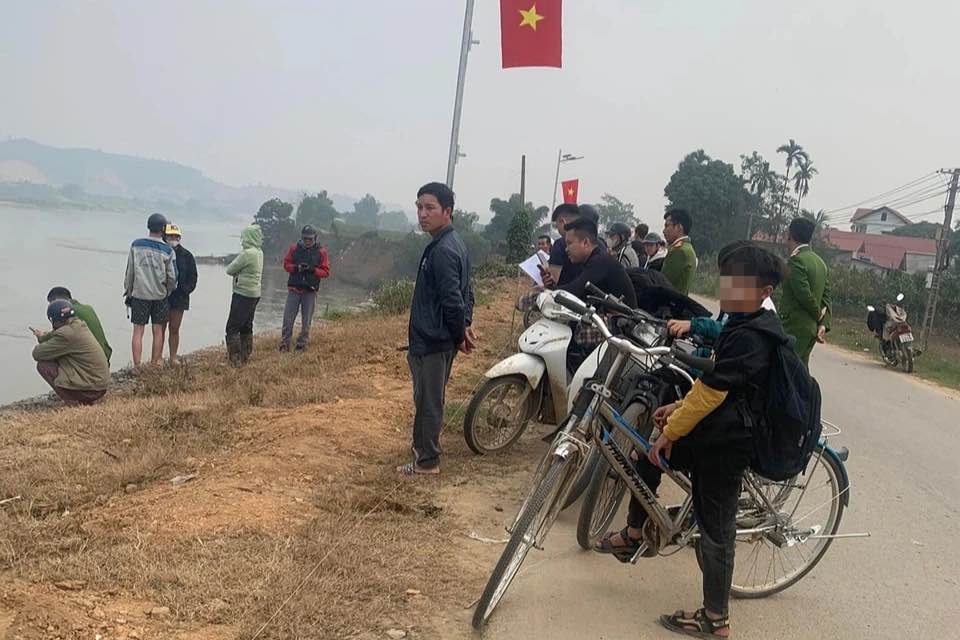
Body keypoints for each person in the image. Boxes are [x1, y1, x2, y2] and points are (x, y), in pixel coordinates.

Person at [596, 245, 789, 639]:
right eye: (726, 278)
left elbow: (714, 391)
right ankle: (637, 533)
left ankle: (716, 620)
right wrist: (677, 411)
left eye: (738, 281)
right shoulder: (739, 321)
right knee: (645, 451)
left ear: (764, 291)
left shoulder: (754, 334)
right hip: (718, 426)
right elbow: (714, 383)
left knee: (715, 529)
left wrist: (674, 428)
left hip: (731, 442)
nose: (727, 288)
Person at [400, 182, 476, 476]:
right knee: (428, 398)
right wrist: (464, 327)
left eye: (429, 208)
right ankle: (422, 453)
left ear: (448, 211)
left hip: (433, 341)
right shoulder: (450, 243)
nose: (422, 214)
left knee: (429, 401)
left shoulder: (444, 250)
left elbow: (455, 300)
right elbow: (468, 292)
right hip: (434, 338)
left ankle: (426, 461)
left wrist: (459, 335)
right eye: (419, 207)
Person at [31, 300, 110, 406]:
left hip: (91, 390)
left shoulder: (66, 335)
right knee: (58, 356)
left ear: (53, 320)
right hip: (100, 386)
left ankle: (73, 402)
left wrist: (43, 339)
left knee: (43, 365)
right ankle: (80, 397)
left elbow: (37, 353)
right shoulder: (79, 325)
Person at [123, 213, 177, 367]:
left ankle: (137, 366)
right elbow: (172, 277)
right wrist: (168, 291)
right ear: (163, 229)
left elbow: (130, 272)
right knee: (158, 330)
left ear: (148, 227)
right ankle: (154, 363)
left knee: (138, 331)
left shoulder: (136, 245)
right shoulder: (167, 250)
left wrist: (128, 291)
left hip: (139, 294)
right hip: (159, 296)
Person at [780, 217, 832, 367]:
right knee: (800, 373)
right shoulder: (820, 263)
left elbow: (803, 295)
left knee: (785, 371)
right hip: (811, 331)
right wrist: (823, 324)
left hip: (793, 327)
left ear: (790, 235)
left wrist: (817, 315)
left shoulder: (797, 261)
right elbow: (826, 297)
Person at [558, 217, 638, 307]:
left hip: (623, 319)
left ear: (585, 242)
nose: (566, 249)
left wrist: (546, 290)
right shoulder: (592, 259)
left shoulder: (600, 261)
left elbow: (574, 291)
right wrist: (551, 285)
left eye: (569, 243)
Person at [279, 225, 331, 352]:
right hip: (294, 290)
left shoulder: (321, 252)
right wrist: (296, 268)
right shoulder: (294, 249)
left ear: (315, 238)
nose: (307, 241)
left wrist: (313, 270)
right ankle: (285, 343)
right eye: (305, 238)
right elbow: (286, 265)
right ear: (301, 237)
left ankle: (302, 344)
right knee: (288, 318)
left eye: (310, 239)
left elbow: (326, 272)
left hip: (310, 291)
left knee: (306, 320)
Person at [224, 224, 264, 366]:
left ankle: (234, 359)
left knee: (232, 327)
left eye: (244, 237)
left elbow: (230, 269)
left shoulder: (247, 254)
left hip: (243, 293)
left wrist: (237, 272)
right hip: (255, 293)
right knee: (247, 325)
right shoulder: (259, 252)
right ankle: (245, 356)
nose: (242, 241)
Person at [40, 287, 112, 363]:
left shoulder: (69, 313)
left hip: (93, 360)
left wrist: (41, 337)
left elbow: (59, 336)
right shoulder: (88, 308)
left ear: (57, 301)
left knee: (48, 359)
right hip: (105, 354)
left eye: (51, 303)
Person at [163, 224, 198, 364]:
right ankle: (157, 358)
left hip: (180, 298)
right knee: (159, 328)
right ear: (165, 237)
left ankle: (173, 357)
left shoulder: (187, 256)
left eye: (175, 236)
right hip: (163, 296)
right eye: (170, 236)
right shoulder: (162, 252)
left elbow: (193, 276)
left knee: (174, 328)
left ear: (179, 237)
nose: (173, 238)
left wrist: (185, 290)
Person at [661, 209, 698, 295]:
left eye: (667, 226)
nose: (663, 230)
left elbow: (663, 282)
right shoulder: (687, 248)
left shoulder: (680, 251)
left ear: (679, 227)